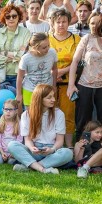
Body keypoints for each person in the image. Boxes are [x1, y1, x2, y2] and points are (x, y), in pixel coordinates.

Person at [8, 84, 74, 174]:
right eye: (49, 97)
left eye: (53, 96)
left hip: (52, 152)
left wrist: (52, 149)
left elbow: (60, 141)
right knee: (12, 145)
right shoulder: (26, 115)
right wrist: (31, 148)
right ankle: (42, 169)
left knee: (68, 153)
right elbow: (27, 140)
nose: (53, 100)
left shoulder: (59, 114)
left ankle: (31, 166)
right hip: (35, 151)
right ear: (39, 99)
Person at [67, 15, 102, 141]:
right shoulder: (86, 39)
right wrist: (71, 85)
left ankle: (98, 151)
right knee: (82, 120)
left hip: (101, 87)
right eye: (92, 23)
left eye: (98, 23)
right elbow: (75, 62)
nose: (95, 26)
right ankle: (80, 150)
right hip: (84, 84)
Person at [49, 8, 81, 148]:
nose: (61, 24)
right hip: (50, 83)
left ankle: (69, 145)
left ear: (69, 23)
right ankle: (52, 143)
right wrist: (54, 74)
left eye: (64, 21)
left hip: (69, 83)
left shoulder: (76, 39)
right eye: (58, 22)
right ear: (52, 23)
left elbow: (78, 61)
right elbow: (41, 58)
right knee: (50, 114)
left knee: (68, 115)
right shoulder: (46, 38)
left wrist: (60, 72)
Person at [0, 4, 32, 89]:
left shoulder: (26, 33)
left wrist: (5, 53)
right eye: (8, 17)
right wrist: (14, 57)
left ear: (18, 17)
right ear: (4, 18)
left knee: (17, 101)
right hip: (1, 75)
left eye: (14, 16)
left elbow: (23, 55)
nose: (11, 19)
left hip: (19, 75)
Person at [17, 32, 58, 108]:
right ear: (35, 48)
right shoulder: (26, 58)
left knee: (47, 114)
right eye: (44, 48)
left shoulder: (52, 53)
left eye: (48, 45)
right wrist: (19, 94)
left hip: (47, 89)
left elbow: (54, 70)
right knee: (31, 116)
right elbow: (20, 77)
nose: (47, 49)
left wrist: (54, 85)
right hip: (30, 89)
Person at [0, 99, 22, 164]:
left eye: (11, 109)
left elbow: (19, 140)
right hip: (2, 150)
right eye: (6, 109)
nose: (8, 112)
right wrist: (2, 152)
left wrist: (13, 152)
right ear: (3, 110)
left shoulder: (19, 124)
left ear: (16, 111)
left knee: (11, 162)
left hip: (13, 151)